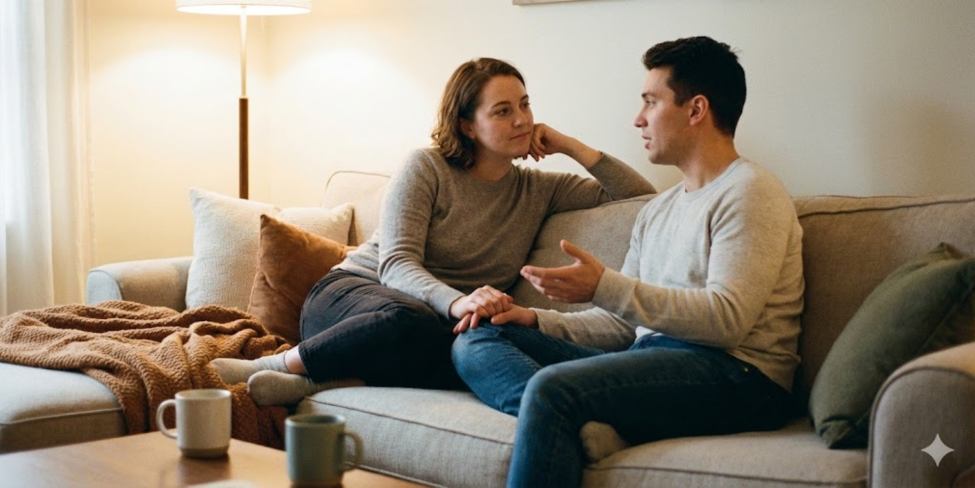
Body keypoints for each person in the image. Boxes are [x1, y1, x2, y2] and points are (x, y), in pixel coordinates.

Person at [451, 37, 804, 488]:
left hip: (740, 376)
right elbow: (623, 326)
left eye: (650, 102)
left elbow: (727, 321)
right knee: (478, 336)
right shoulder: (657, 210)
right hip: (656, 359)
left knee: (552, 388)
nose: (637, 119)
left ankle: (573, 413)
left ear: (696, 110)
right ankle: (590, 423)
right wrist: (534, 319)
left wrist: (604, 286)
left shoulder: (751, 191)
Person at [209, 57, 655, 405]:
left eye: (525, 105)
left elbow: (640, 196)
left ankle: (326, 381)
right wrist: (459, 301)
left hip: (437, 327)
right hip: (354, 300)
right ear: (467, 125)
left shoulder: (540, 189)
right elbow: (396, 264)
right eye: (502, 111)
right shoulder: (427, 167)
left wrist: (572, 147)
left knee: (472, 347)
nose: (521, 120)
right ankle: (284, 363)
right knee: (416, 321)